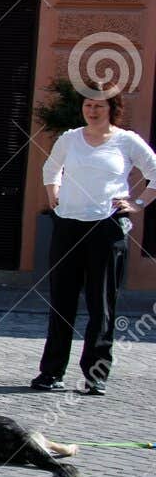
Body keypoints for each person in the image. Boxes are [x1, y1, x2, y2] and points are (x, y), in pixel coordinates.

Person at [33, 82, 155, 395]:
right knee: (62, 302)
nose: (92, 110)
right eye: (87, 105)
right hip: (68, 226)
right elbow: (51, 168)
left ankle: (95, 374)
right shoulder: (70, 138)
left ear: (112, 107)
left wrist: (137, 203)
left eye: (99, 105)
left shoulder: (127, 141)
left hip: (107, 228)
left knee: (101, 305)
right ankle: (51, 372)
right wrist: (54, 195)